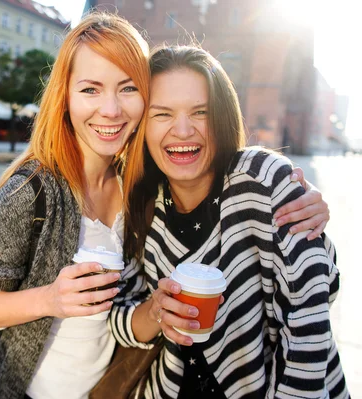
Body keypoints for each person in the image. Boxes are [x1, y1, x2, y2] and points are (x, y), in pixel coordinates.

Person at [0, 13, 330, 399]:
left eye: (127, 88)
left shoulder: (137, 188)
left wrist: (302, 206)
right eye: (90, 90)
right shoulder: (34, 191)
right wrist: (50, 299)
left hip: (110, 387)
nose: (111, 110)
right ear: (64, 97)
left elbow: (313, 294)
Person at [111, 45, 348, 399]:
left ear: (222, 117)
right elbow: (120, 321)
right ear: (142, 125)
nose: (182, 129)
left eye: (200, 112)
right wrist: (156, 312)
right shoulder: (140, 208)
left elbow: (310, 313)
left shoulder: (263, 180)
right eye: (162, 114)